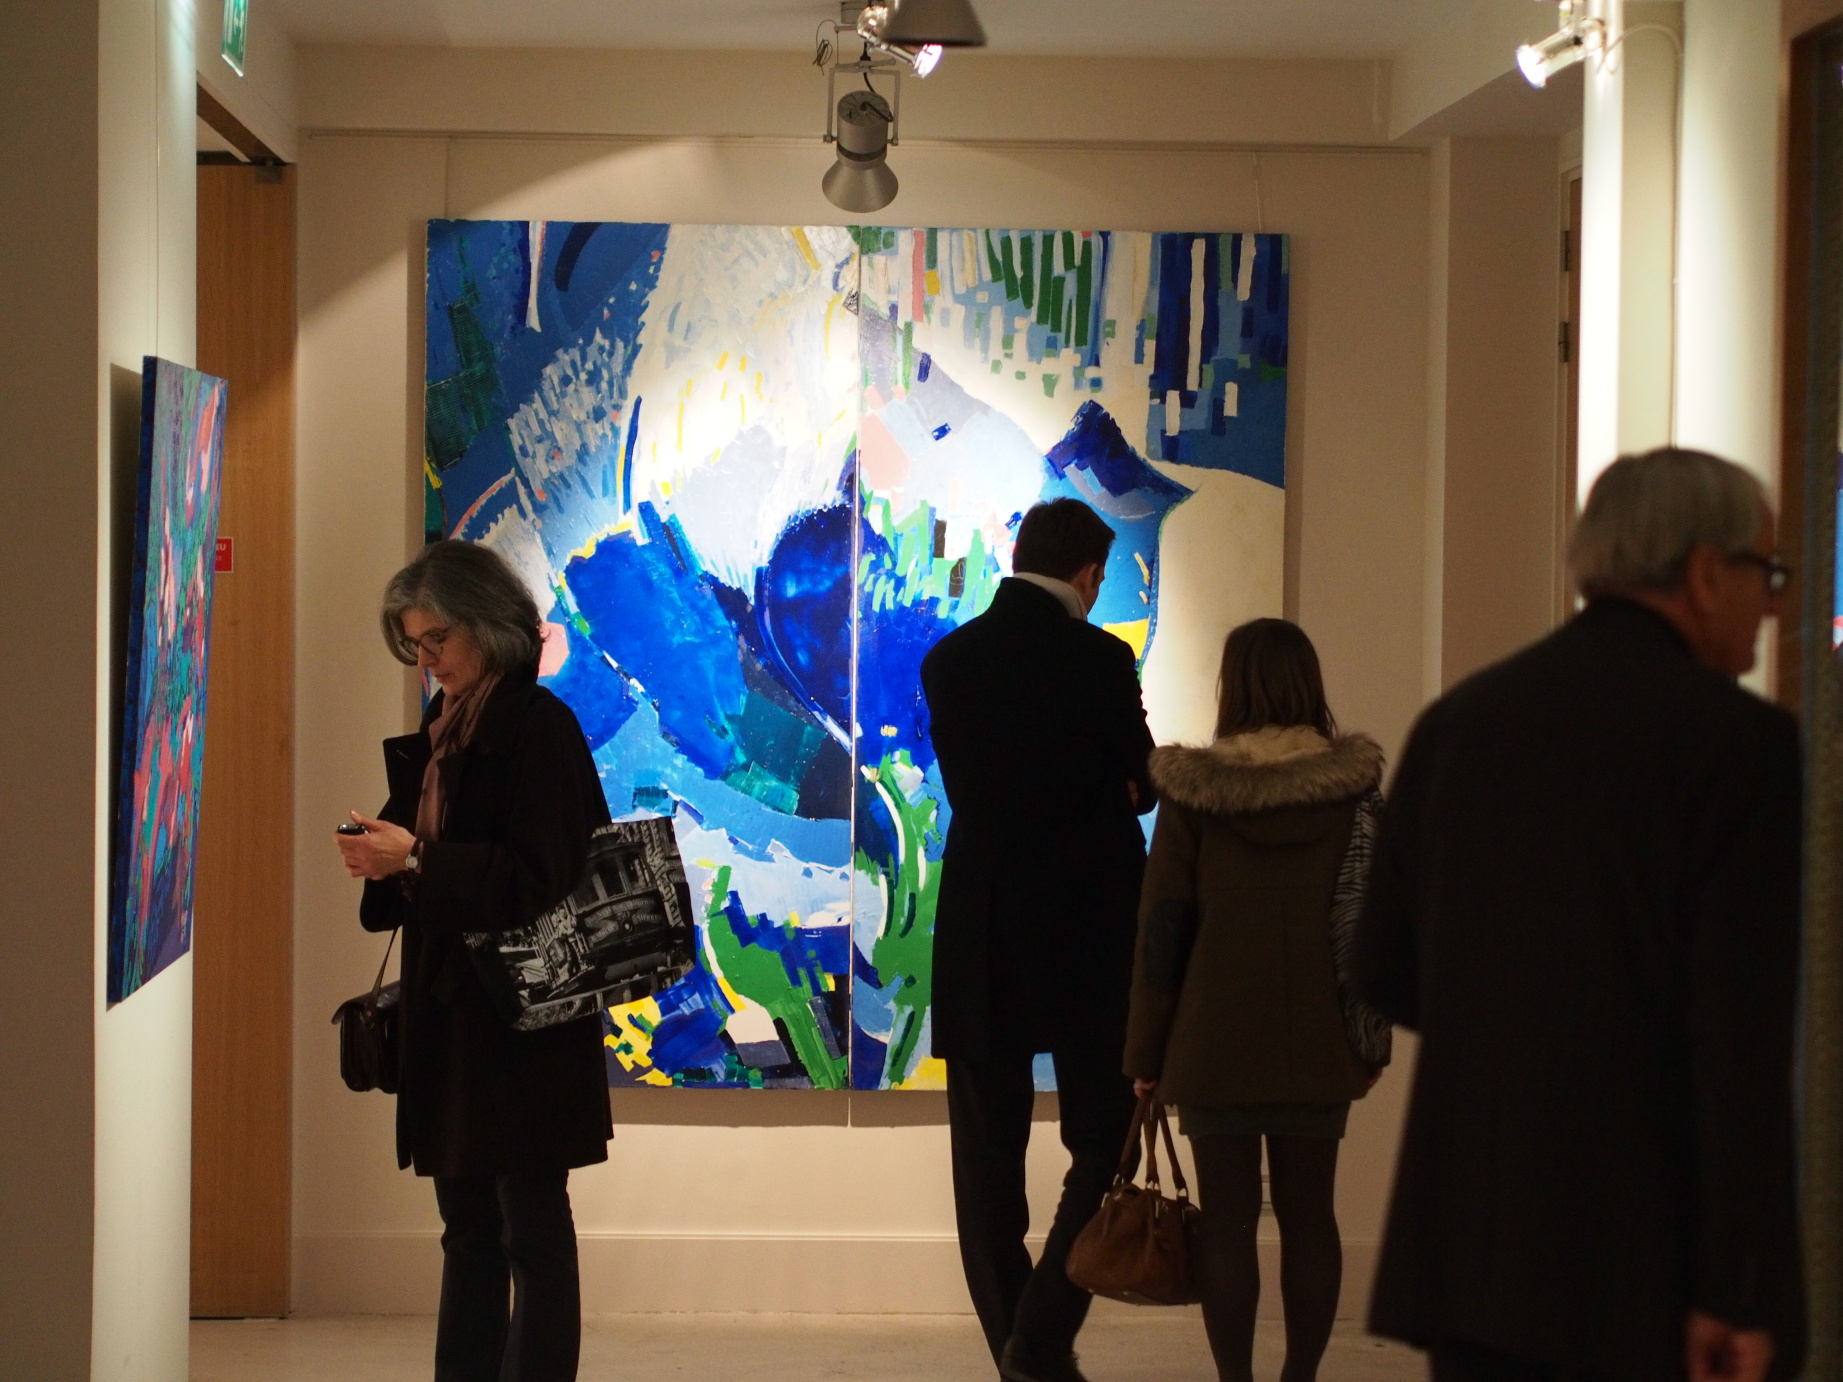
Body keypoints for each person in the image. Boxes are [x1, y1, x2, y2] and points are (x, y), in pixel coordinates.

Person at [1354, 448, 1806, 1382]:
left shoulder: (1459, 723)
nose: (1772, 605)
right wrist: (1739, 1286)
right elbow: (1738, 1038)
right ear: (1703, 573)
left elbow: (1381, 969)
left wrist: (1515, 1035)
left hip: (1472, 1245)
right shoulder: (1741, 745)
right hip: (1643, 1259)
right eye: (1765, 572)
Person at [335, 540, 612, 1382]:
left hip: (523, 1026)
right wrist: (384, 856)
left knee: (531, 1229)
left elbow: (542, 880)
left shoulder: (537, 726)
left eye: (437, 640)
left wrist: (416, 858)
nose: (427, 661)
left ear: (488, 626)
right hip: (456, 1021)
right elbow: (431, 862)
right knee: (467, 1231)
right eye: (414, 643)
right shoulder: (443, 728)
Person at [921, 498, 1158, 1382]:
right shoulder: (1100, 658)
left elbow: (984, 794)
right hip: (1088, 932)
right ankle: (1041, 1334)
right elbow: (1142, 779)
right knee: (1105, 1137)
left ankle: (1016, 1350)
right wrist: (1110, 789)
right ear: (1089, 574)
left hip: (984, 931)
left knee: (986, 1165)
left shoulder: (949, 660)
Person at [1124, 617, 1390, 1382]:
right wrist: (1370, 1038)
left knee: (1227, 1225)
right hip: (1319, 1037)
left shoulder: (1194, 795)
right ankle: (1299, 1377)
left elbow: (1162, 932)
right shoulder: (1353, 791)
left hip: (1212, 1041)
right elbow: (1377, 920)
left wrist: (1144, 1051)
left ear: (1232, 688)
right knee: (1310, 1219)